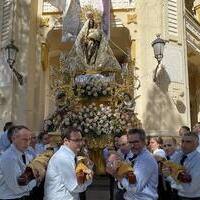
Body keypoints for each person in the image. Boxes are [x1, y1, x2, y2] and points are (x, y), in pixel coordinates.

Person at [107, 128, 158, 200]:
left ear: (144, 142)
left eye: (136, 142)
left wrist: (115, 174)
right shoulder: (137, 156)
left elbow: (134, 189)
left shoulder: (146, 159)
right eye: (130, 142)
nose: (133, 145)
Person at [44, 126, 92, 200]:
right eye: (76, 140)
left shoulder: (70, 155)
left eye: (81, 140)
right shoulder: (63, 158)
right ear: (66, 141)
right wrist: (88, 177)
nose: (80, 143)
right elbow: (74, 186)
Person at [0, 125, 36, 199]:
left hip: (22, 195)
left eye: (29, 139)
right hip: (11, 197)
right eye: (24, 139)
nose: (28, 143)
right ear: (13, 139)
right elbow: (16, 187)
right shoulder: (9, 157)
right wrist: (35, 182)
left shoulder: (23, 153)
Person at [164, 132, 200, 200]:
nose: (183, 145)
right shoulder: (178, 156)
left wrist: (170, 177)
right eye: (182, 141)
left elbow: (191, 188)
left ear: (196, 144)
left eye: (188, 142)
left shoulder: (198, 160)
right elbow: (167, 169)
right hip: (175, 195)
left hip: (191, 198)